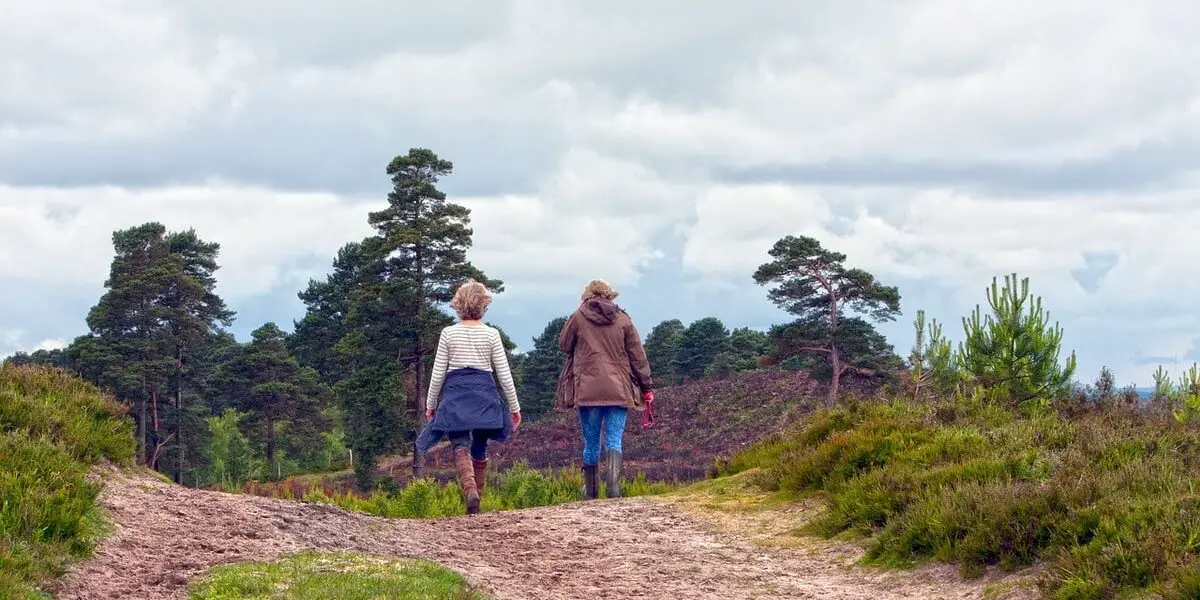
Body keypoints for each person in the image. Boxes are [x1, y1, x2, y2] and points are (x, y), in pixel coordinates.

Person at [416, 279, 522, 515]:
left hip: (456, 395)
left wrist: (431, 405)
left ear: (458, 305)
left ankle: (470, 489)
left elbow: (437, 374)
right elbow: (504, 375)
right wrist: (514, 407)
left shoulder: (448, 334)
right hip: (485, 395)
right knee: (480, 445)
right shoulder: (492, 335)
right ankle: (477, 503)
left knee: (460, 444)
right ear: (483, 305)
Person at [555, 279, 654, 499]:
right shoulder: (623, 319)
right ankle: (613, 486)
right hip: (618, 389)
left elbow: (563, 345)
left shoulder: (578, 317)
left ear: (587, 295)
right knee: (614, 439)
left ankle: (590, 491)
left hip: (588, 389)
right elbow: (638, 356)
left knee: (591, 441)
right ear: (610, 295)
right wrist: (646, 386)